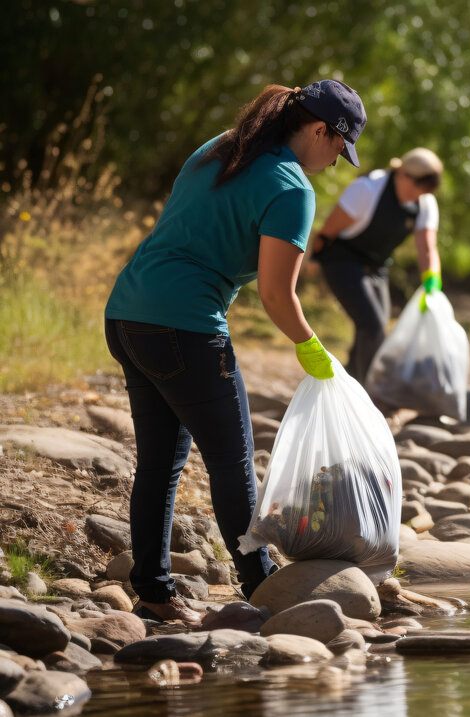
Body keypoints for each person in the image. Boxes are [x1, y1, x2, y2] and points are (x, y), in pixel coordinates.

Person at [103, 80, 366, 623]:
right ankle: (261, 584)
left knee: (160, 462)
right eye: (341, 148)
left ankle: (152, 590)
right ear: (321, 130)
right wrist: (311, 347)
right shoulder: (292, 188)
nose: (339, 162)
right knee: (231, 460)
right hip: (184, 327)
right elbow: (276, 294)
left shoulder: (225, 145)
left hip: (127, 314)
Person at [309, 147, 445, 384]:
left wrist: (432, 280)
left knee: (377, 330)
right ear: (403, 175)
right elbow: (329, 229)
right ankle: (367, 394)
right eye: (416, 189)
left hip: (376, 267)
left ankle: (350, 384)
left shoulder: (425, 203)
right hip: (342, 259)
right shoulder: (367, 190)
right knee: (372, 327)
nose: (418, 197)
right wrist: (312, 258)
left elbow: (427, 247)